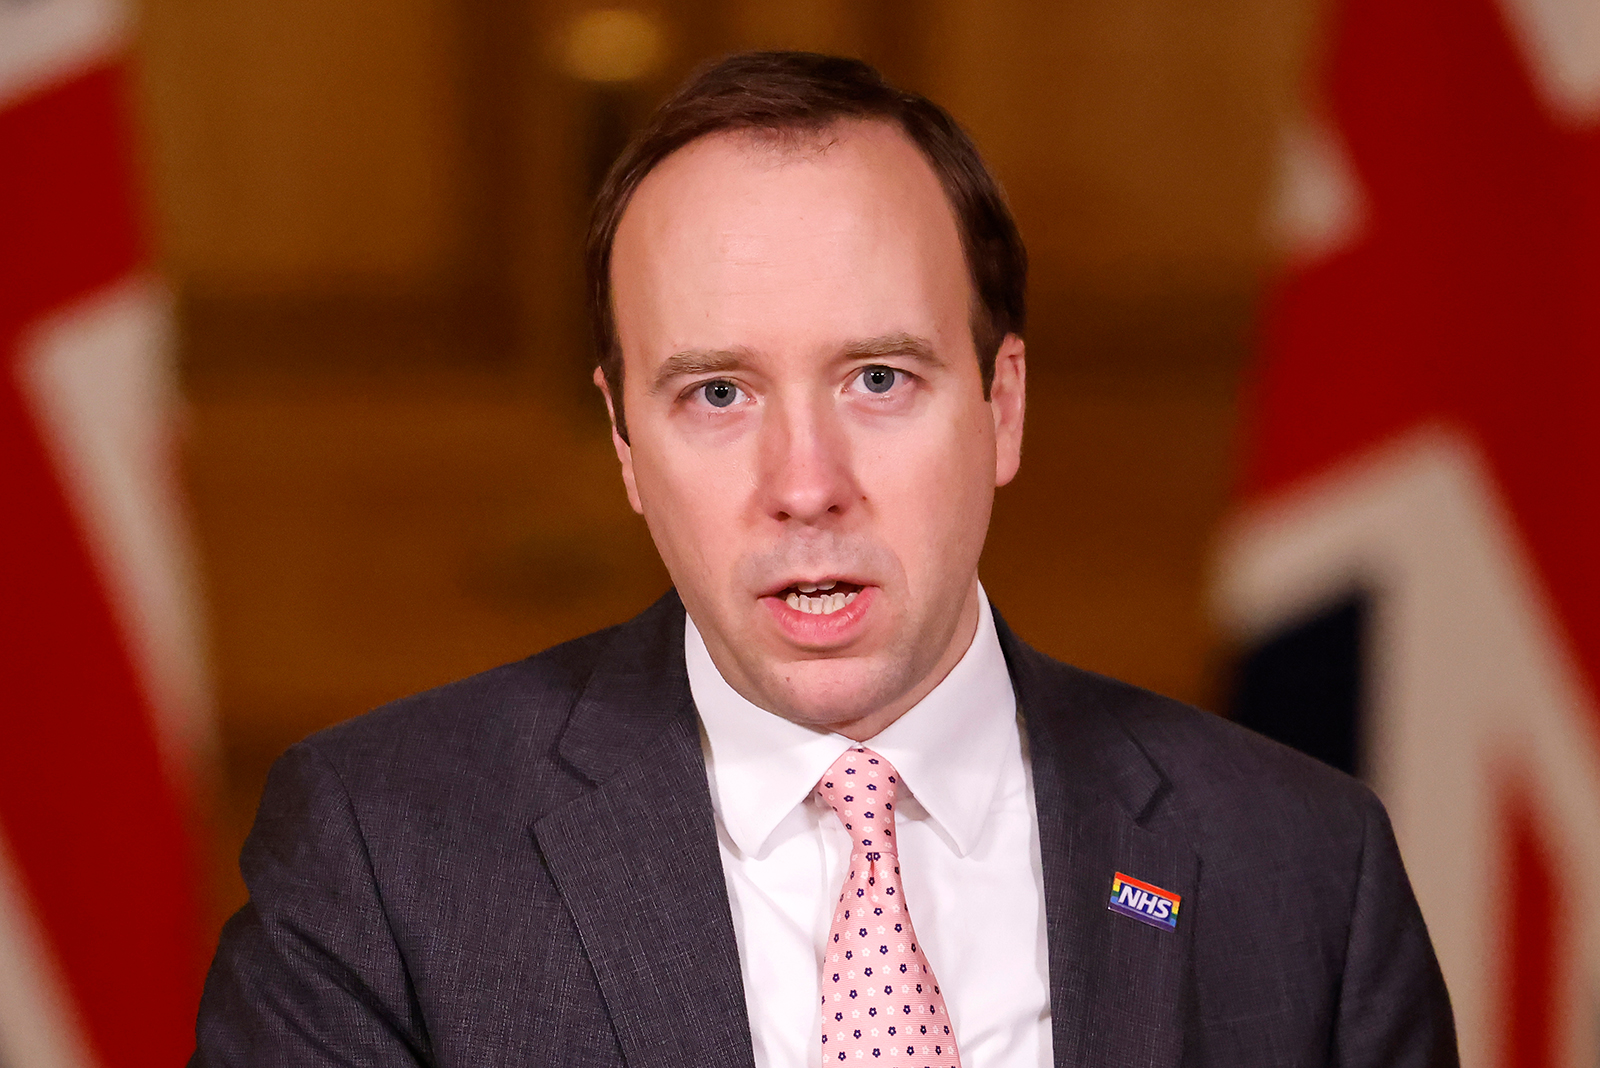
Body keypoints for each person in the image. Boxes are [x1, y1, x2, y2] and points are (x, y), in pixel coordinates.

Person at [192, 52, 1456, 1068]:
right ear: (627, 444)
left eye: (878, 378)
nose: (805, 486)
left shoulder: (1299, 867)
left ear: (1001, 408)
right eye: (717, 395)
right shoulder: (380, 859)